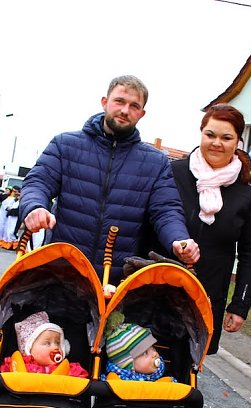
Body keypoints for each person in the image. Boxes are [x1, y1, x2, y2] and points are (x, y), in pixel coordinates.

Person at [20, 75, 199, 283]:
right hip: (61, 270)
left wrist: (178, 239)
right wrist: (34, 206)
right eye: (119, 101)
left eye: (134, 106)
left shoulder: (155, 162)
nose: (125, 110)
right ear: (105, 102)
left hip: (116, 281)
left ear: (142, 114)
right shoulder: (65, 145)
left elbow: (166, 210)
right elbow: (38, 182)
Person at [170, 104, 251, 355]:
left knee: (187, 376)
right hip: (157, 288)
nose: (216, 143)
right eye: (210, 135)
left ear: (238, 142)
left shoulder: (248, 193)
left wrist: (240, 305)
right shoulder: (173, 174)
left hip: (207, 296)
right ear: (201, 133)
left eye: (226, 137)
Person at [0, 311, 88, 377]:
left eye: (57, 343)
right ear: (29, 348)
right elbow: (4, 377)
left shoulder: (68, 368)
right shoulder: (19, 365)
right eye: (47, 343)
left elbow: (82, 379)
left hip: (56, 401)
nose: (55, 347)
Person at [101, 312, 171, 382]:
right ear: (129, 365)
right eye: (145, 353)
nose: (154, 353)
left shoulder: (156, 375)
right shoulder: (120, 383)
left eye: (152, 348)